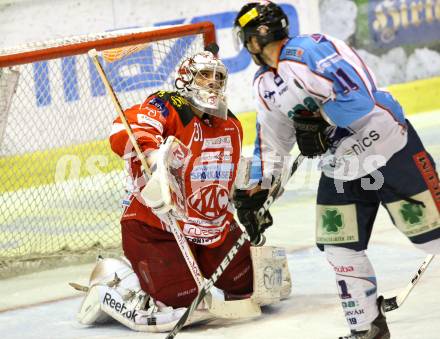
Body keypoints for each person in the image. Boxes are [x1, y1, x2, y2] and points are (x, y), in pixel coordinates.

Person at [233, 2, 440, 338]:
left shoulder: (310, 50)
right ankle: (366, 328)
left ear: (254, 39)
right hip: (342, 166)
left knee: (432, 236)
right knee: (339, 246)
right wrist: (257, 191)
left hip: (387, 147)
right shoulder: (264, 85)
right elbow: (272, 142)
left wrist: (319, 120)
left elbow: (358, 100)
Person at [73, 50, 291, 332]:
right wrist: (151, 156)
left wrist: (250, 199)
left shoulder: (231, 124)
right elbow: (128, 127)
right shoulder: (168, 105)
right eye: (204, 74)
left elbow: (227, 176)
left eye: (218, 76)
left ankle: (176, 269)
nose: (212, 82)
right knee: (183, 305)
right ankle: (110, 282)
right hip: (157, 228)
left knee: (257, 288)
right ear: (185, 78)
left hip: (212, 230)